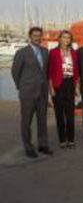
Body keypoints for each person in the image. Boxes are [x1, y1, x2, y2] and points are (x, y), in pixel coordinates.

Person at [11, 27, 52, 158]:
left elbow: (45, 72)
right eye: (35, 35)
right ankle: (28, 147)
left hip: (42, 92)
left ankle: (43, 145)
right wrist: (22, 87)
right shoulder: (21, 53)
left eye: (40, 35)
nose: (38, 38)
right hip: (27, 93)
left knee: (42, 120)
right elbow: (15, 72)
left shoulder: (45, 52)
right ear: (30, 36)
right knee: (26, 121)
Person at [48, 30, 79, 149]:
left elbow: (76, 72)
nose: (66, 39)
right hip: (58, 85)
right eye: (64, 37)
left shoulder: (74, 53)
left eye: (69, 38)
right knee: (59, 114)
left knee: (70, 113)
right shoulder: (54, 52)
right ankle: (62, 139)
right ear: (59, 39)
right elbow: (49, 72)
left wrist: (77, 87)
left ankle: (71, 139)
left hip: (70, 83)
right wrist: (51, 89)